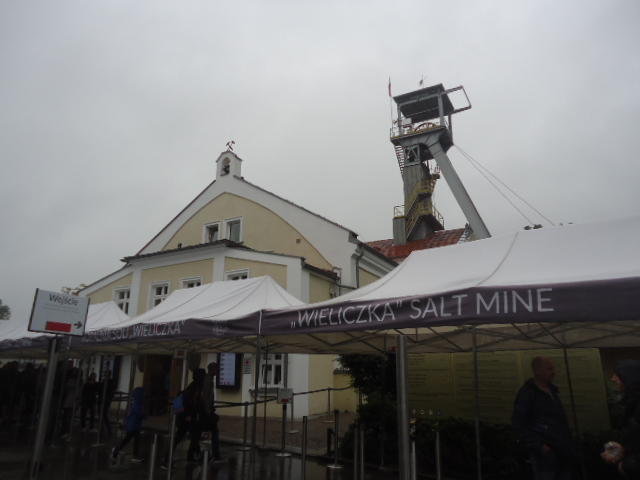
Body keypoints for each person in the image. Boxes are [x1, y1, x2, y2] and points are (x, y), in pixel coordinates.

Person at [512, 356, 576, 480]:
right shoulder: (527, 394)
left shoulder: (552, 390)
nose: (553, 372)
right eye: (549, 369)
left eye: (553, 368)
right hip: (545, 452)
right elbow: (518, 423)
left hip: (561, 448)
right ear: (538, 371)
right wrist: (539, 446)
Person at [601, 360, 640, 478]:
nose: (613, 378)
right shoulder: (633, 402)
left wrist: (629, 465)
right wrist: (623, 449)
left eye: (618, 375)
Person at [161, 368, 206, 469]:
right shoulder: (195, 387)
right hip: (187, 417)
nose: (204, 378)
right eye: (203, 376)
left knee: (193, 436)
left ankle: (191, 456)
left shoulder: (195, 386)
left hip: (188, 416)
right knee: (181, 437)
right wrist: (188, 415)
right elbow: (191, 402)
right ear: (200, 377)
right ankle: (167, 459)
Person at [111, 387, 145, 464]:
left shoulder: (136, 402)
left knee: (128, 440)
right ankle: (133, 455)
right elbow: (139, 413)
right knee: (130, 440)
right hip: (134, 426)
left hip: (133, 426)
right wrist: (144, 415)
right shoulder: (137, 403)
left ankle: (117, 450)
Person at [199, 361, 221, 462]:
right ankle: (213, 455)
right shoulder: (208, 380)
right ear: (212, 370)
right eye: (217, 369)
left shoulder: (209, 379)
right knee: (212, 432)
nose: (218, 371)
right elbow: (205, 397)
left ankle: (203, 454)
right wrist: (208, 411)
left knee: (208, 432)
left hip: (206, 410)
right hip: (206, 412)